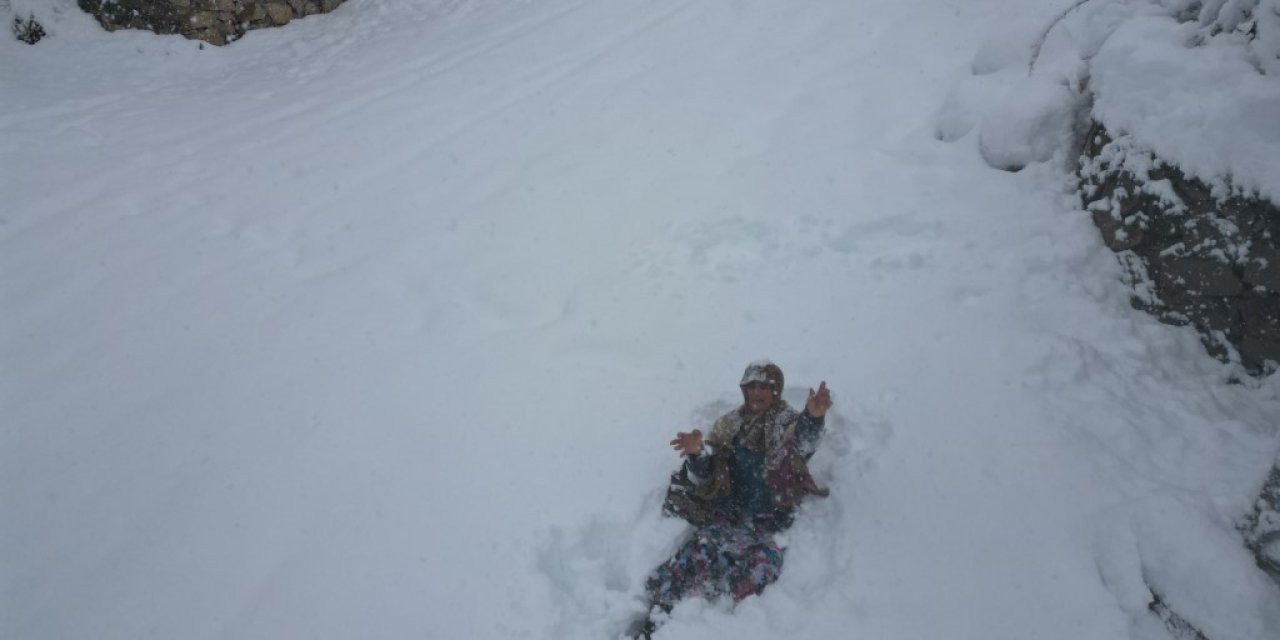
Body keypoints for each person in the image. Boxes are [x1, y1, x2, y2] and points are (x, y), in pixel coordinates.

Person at [629, 361, 832, 638]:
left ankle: (713, 622)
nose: (757, 392)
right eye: (751, 386)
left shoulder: (788, 423)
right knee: (696, 554)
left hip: (769, 519)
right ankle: (657, 618)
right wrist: (697, 454)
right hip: (730, 514)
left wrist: (813, 418)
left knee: (758, 567)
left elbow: (803, 444)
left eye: (765, 387)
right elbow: (708, 477)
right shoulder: (729, 424)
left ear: (776, 391)